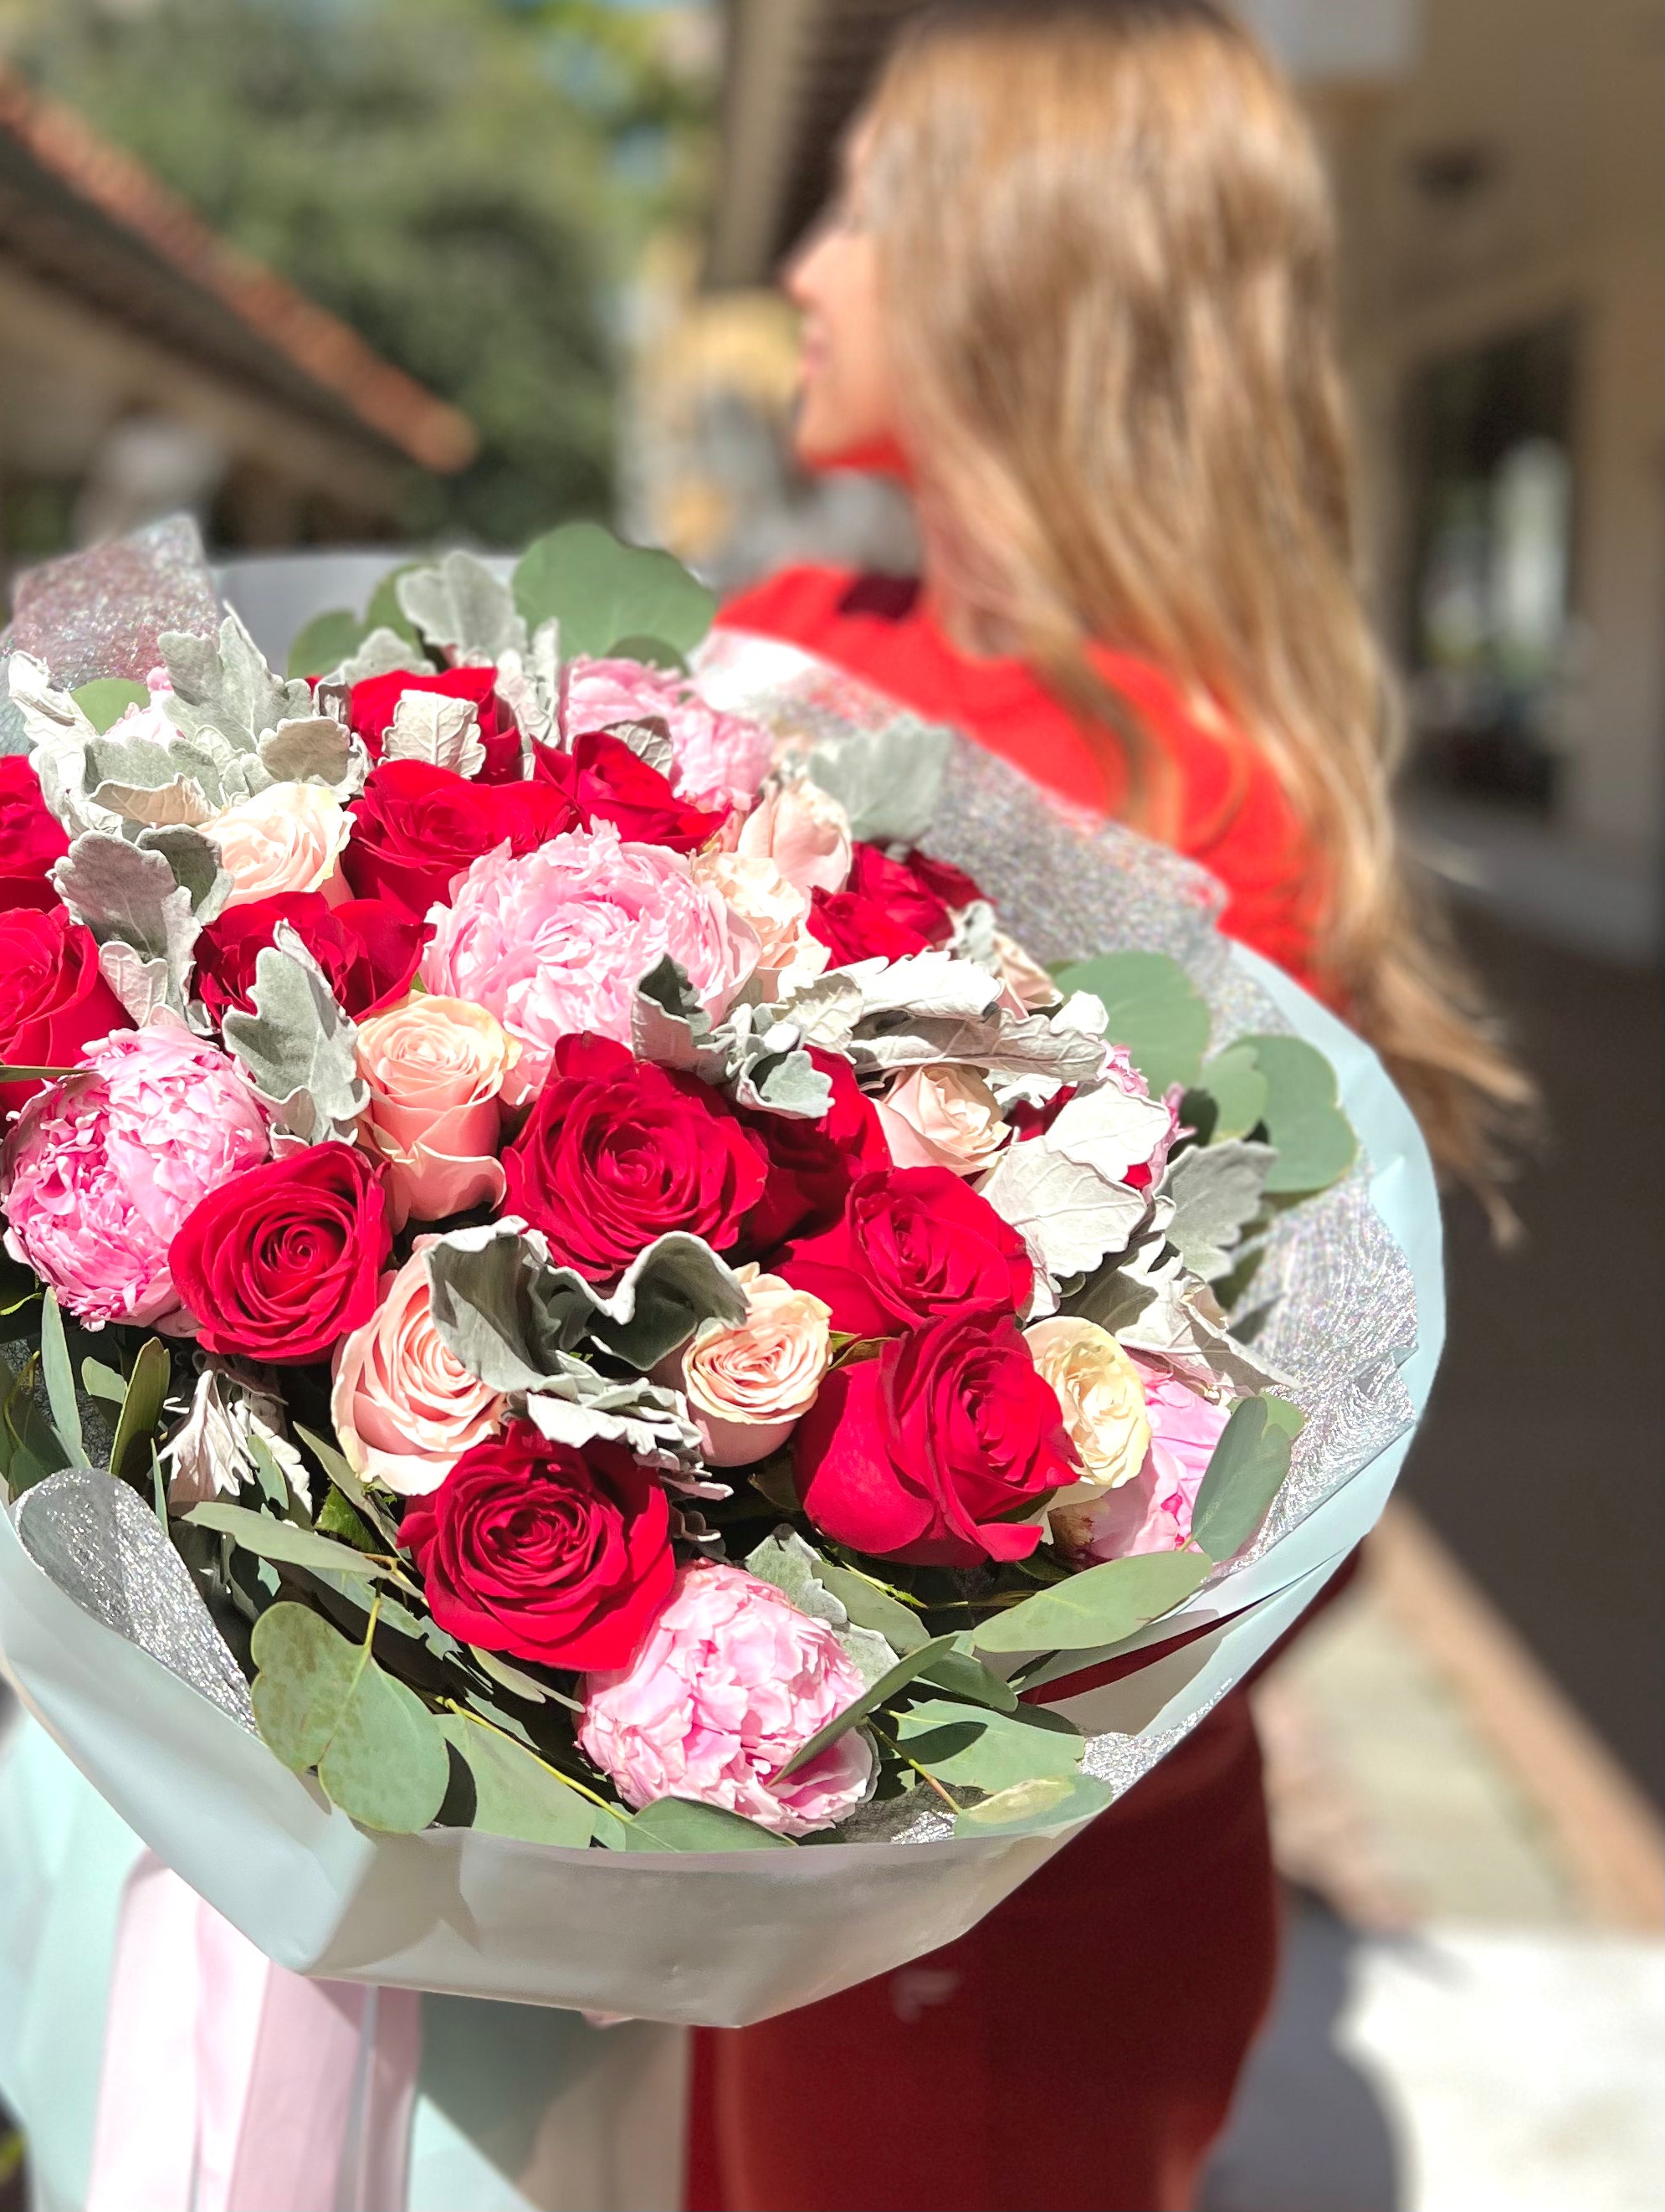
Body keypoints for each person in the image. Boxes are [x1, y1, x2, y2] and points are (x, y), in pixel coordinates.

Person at [690, 6, 1529, 2209]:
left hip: (973, 1900)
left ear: (1010, 265)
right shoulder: (784, 633)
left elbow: (1225, 1465)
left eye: (860, 205)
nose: (802, 265)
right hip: (711, 1864)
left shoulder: (1186, 812)